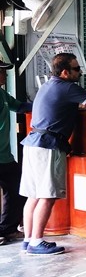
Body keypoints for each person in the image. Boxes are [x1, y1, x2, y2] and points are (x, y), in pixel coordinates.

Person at [20, 53, 86, 255]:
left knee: (33, 195)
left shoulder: (48, 85)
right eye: (77, 69)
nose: (80, 72)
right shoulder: (68, 87)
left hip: (33, 143)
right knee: (47, 195)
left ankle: (28, 239)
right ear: (64, 72)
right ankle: (37, 241)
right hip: (48, 146)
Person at [0, 60, 31, 246]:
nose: (5, 75)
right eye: (2, 71)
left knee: (17, 189)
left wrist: (43, 105)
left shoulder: (2, 94)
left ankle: (7, 229)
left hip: (5, 156)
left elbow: (19, 107)